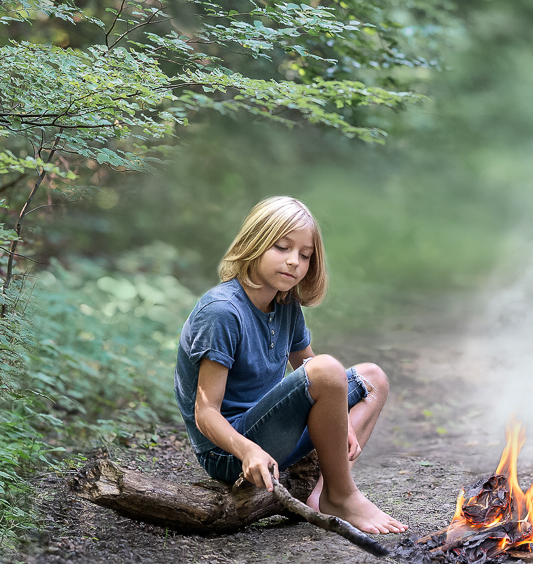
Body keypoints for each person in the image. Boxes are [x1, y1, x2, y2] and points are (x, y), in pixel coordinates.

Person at [174, 196, 407, 534]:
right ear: (255, 242)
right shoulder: (222, 312)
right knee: (327, 369)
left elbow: (311, 370)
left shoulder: (285, 305)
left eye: (305, 255)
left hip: (273, 434)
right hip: (231, 453)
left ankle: (319, 494)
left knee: (373, 379)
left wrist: (344, 422)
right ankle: (343, 497)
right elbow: (205, 411)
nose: (294, 262)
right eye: (282, 247)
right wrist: (249, 450)